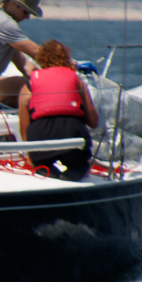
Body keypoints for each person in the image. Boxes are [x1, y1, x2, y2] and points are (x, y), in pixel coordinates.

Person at [18, 39, 100, 181]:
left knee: (42, 165)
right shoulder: (77, 81)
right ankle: (73, 172)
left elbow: (24, 127)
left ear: (41, 59)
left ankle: (46, 169)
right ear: (66, 58)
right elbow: (93, 122)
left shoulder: (29, 84)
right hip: (71, 132)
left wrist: (30, 155)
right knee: (79, 166)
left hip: (40, 135)